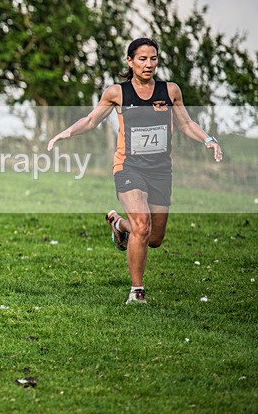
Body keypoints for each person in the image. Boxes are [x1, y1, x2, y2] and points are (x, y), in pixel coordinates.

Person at [47, 37, 223, 305]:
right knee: (142, 225)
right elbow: (92, 120)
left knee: (154, 238)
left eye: (153, 58)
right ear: (130, 61)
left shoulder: (170, 91)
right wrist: (66, 133)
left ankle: (118, 224)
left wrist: (208, 139)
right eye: (142, 59)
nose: (148, 64)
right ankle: (136, 291)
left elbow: (186, 123)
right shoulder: (117, 93)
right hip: (128, 167)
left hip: (161, 171)